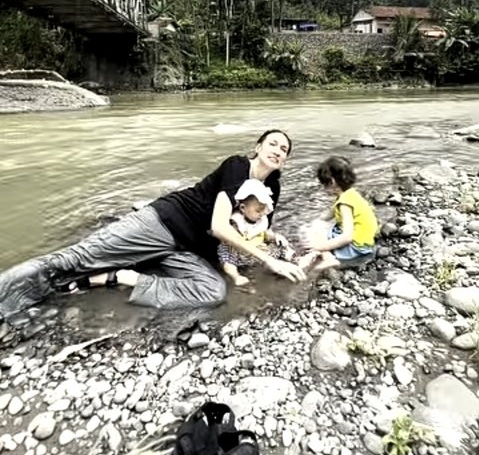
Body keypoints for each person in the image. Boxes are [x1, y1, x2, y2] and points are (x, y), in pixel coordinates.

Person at [0, 130, 305, 318]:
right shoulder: (237, 166)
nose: (278, 151)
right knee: (75, 259)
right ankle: (6, 299)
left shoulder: (272, 189)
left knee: (212, 292)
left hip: (190, 251)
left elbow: (254, 230)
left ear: (285, 160)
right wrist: (268, 262)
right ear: (258, 146)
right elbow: (219, 226)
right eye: (273, 143)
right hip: (163, 222)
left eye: (284, 150)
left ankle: (121, 278)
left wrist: (277, 241)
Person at [299, 156, 378, 272]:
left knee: (314, 232)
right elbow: (326, 216)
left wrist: (320, 245)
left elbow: (347, 236)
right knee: (317, 226)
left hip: (355, 247)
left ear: (332, 182)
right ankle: (317, 254)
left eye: (324, 184)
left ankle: (328, 258)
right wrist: (314, 223)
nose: (323, 188)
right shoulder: (350, 195)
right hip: (366, 243)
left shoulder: (345, 203)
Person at [218, 179, 295, 287]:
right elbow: (231, 239)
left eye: (264, 210)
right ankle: (236, 276)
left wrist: (275, 237)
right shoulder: (236, 221)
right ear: (243, 208)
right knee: (227, 256)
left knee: (280, 245)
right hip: (239, 253)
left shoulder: (261, 219)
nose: (262, 214)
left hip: (258, 251)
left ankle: (293, 258)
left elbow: (265, 234)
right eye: (258, 211)